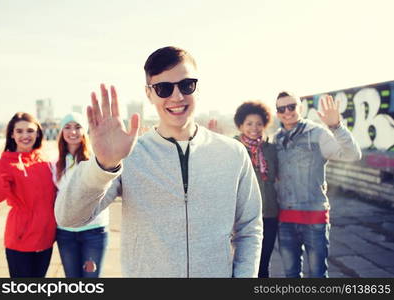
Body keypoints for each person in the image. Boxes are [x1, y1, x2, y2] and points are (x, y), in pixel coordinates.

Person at [55, 46, 263, 277]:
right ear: (149, 93)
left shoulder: (232, 153)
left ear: (197, 87)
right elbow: (69, 217)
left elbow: (249, 228)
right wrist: (103, 166)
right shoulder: (129, 155)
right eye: (164, 88)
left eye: (186, 85)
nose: (177, 96)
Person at [274, 91, 361, 277]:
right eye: (281, 108)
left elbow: (352, 155)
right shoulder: (277, 139)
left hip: (314, 217)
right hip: (285, 220)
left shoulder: (317, 133)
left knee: (318, 274)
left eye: (292, 106)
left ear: (301, 108)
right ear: (277, 113)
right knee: (290, 274)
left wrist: (336, 126)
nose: (287, 111)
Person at [0, 112, 56, 278]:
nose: (25, 135)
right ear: (12, 135)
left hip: (46, 238)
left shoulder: (45, 160)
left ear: (38, 133)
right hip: (20, 240)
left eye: (29, 130)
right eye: (19, 131)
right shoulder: (6, 162)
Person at [53, 112, 109, 278]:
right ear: (62, 132)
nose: (73, 132)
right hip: (65, 233)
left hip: (94, 231)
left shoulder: (96, 159)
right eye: (68, 127)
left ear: (85, 130)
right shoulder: (54, 163)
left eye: (78, 127)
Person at [233, 101, 279, 278]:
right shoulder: (233, 149)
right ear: (241, 125)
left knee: (263, 265)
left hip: (269, 215)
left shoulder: (270, 149)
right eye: (249, 123)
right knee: (242, 267)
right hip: (241, 219)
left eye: (259, 123)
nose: (255, 128)